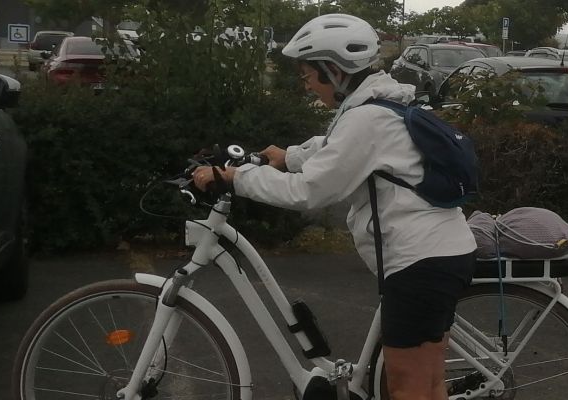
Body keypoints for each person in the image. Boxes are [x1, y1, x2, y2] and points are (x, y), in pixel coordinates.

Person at [192, 13, 478, 400]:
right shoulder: (377, 106)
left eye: (309, 75)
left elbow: (308, 192)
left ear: (334, 72)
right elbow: (336, 149)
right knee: (428, 384)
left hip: (418, 264)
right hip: (442, 255)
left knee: (409, 388)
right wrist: (288, 155)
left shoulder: (367, 120)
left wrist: (235, 178)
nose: (307, 84)